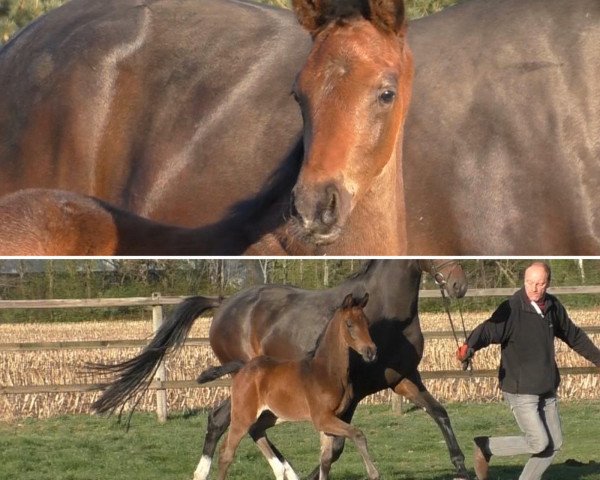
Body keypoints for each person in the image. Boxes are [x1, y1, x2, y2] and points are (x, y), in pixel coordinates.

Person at [456, 261, 600, 480]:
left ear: (547, 284)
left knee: (554, 443)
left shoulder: (552, 307)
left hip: (547, 387)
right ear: (524, 281)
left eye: (539, 283)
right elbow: (487, 329)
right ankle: (486, 446)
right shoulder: (512, 308)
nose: (534, 288)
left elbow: (574, 336)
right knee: (539, 442)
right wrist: (470, 346)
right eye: (529, 282)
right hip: (521, 389)